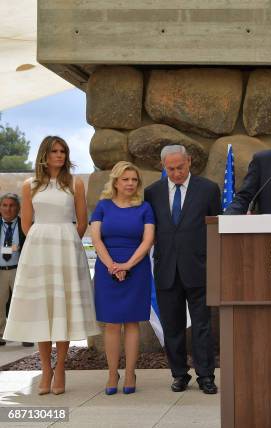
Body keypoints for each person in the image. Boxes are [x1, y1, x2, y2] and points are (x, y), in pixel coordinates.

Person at [3, 136, 99, 395]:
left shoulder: (75, 184)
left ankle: (60, 369)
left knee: (63, 308)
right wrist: (39, 239)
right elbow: (26, 224)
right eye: (55, 151)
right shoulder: (29, 185)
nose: (60, 155)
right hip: (38, 248)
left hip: (66, 247)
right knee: (42, 309)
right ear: (45, 154)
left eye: (63, 151)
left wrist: (66, 240)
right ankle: (46, 369)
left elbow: (82, 222)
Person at [144, 145, 221, 394]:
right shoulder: (152, 193)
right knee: (172, 326)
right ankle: (179, 374)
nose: (176, 173)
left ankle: (206, 375)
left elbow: (215, 229)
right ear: (163, 167)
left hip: (199, 268)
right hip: (166, 269)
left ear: (189, 161)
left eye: (180, 167)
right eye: (170, 169)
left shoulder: (208, 189)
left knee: (202, 326)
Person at [90, 161, 155, 395]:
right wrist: (111, 266)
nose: (130, 183)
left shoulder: (145, 208)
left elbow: (148, 241)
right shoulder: (103, 206)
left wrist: (127, 265)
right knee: (112, 323)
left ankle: (129, 372)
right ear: (115, 182)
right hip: (108, 269)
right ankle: (111, 373)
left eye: (134, 180)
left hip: (136, 268)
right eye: (125, 179)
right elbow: (96, 238)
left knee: (132, 322)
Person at [0, 193, 32, 347]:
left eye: (12, 205)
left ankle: (26, 335)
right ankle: (0, 334)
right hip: (0, 271)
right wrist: (9, 248)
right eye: (4, 205)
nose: (8, 209)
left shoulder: (25, 225)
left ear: (18, 208)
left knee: (23, 303)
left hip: (19, 270)